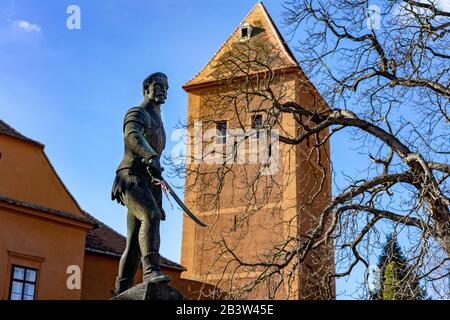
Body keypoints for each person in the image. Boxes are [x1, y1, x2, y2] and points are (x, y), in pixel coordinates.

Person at [111, 72, 170, 295]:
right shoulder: (137, 113)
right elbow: (132, 136)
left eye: (166, 87)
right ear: (146, 89)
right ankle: (151, 272)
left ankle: (120, 291)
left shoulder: (159, 123)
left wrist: (158, 199)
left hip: (148, 182)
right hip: (129, 177)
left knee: (134, 247)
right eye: (158, 86)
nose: (163, 90)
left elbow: (155, 168)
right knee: (150, 216)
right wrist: (149, 155)